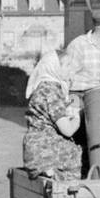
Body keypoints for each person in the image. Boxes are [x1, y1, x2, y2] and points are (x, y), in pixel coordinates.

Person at [23, 48, 82, 181]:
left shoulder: (41, 87)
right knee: (78, 154)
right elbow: (68, 130)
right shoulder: (51, 91)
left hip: (34, 151)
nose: (70, 69)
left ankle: (51, 173)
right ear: (54, 67)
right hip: (47, 150)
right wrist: (77, 115)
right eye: (66, 65)